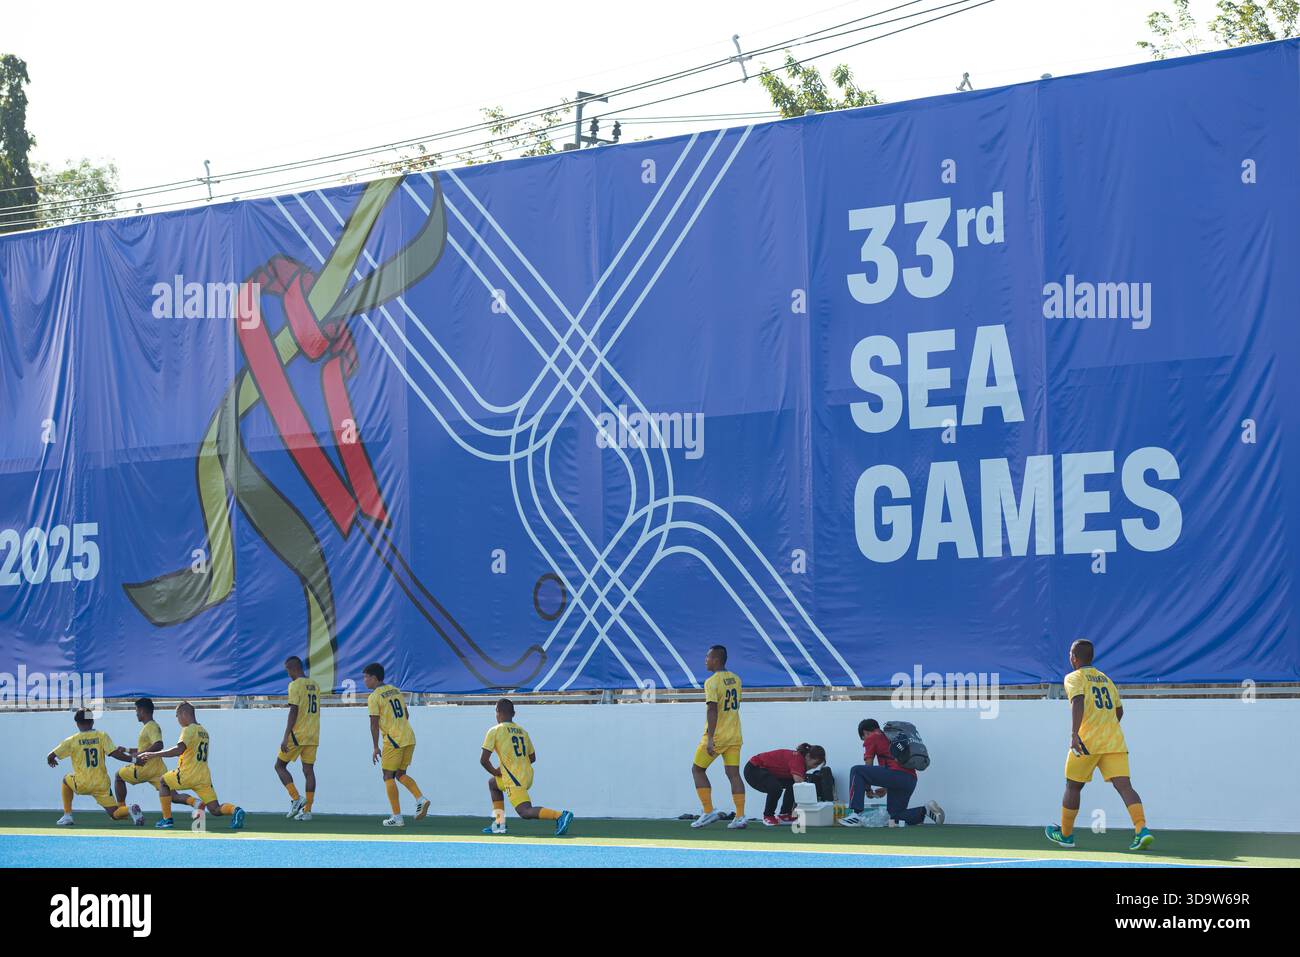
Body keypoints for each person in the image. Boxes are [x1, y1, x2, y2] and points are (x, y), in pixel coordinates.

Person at [1045, 639, 1153, 851]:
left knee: (1073, 786)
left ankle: (1066, 836)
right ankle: (1142, 830)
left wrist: (1074, 734)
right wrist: (1106, 727)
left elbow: (1078, 701)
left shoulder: (1073, 677)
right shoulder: (1106, 680)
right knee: (1124, 786)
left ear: (1074, 658)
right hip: (1114, 741)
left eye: (1070, 654)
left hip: (1086, 742)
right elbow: (1119, 711)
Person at [135, 702, 244, 830]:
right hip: (203, 778)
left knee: (163, 781)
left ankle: (167, 819)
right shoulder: (204, 731)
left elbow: (178, 750)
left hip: (187, 774)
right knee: (215, 809)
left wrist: (153, 754)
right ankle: (235, 810)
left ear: (184, 714)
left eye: (177, 716)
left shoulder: (188, 729)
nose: (178, 720)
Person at [479, 697, 573, 836]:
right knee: (493, 783)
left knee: (525, 811)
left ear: (497, 712)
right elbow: (532, 757)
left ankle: (560, 815)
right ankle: (499, 823)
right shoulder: (522, 731)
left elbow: (484, 760)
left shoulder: (495, 730)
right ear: (514, 714)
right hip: (527, 775)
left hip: (513, 779)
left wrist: (495, 771)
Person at [47, 708, 144, 826]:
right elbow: (115, 753)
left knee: (65, 780)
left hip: (82, 783)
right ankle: (129, 809)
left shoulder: (72, 740)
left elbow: (51, 755)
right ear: (92, 722)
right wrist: (134, 760)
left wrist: (51, 759)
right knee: (115, 814)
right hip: (101, 783)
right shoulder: (102, 736)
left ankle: (67, 816)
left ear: (77, 723)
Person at [840, 719, 943, 827]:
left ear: (865, 732)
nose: (864, 740)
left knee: (856, 770)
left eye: (863, 738)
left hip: (896, 776)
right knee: (895, 816)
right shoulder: (891, 738)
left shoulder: (873, 737)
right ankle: (925, 810)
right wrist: (885, 788)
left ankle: (856, 814)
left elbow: (868, 765)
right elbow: (891, 765)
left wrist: (868, 789)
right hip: (910, 780)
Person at [363, 662, 429, 827]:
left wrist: (375, 746)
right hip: (409, 736)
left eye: (366, 677)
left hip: (393, 740)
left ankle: (397, 817)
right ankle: (420, 798)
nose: (364, 681)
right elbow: (406, 714)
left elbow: (373, 724)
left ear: (374, 677)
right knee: (400, 774)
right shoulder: (395, 690)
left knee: (387, 776)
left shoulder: (374, 697)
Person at [690, 644, 747, 829]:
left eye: (708, 657)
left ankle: (708, 811)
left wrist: (711, 738)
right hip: (735, 734)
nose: (705, 660)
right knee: (733, 774)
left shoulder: (712, 681)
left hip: (718, 735)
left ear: (716, 659)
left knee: (697, 769)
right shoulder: (736, 679)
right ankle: (740, 816)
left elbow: (712, 709)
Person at [112, 697, 195, 817]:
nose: (136, 714)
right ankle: (196, 803)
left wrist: (141, 754)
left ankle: (122, 811)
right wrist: (126, 750)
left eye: (136, 710)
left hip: (143, 767)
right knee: (173, 796)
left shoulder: (150, 726)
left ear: (142, 711)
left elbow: (159, 744)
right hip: (158, 770)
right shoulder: (151, 726)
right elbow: (145, 748)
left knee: (118, 776)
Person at [275, 656, 320, 821]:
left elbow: (293, 711)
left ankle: (295, 798)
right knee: (308, 771)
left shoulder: (294, 685)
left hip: (298, 734)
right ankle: (307, 811)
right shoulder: (315, 685)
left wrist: (286, 736)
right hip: (313, 734)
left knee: (279, 766)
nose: (288, 674)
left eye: (288, 670)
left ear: (293, 668)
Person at [743, 743, 826, 826]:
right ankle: (768, 816)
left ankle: (784, 815)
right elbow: (801, 786)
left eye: (818, 765)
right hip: (753, 769)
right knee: (776, 788)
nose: (815, 767)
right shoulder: (797, 760)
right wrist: (813, 809)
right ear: (808, 756)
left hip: (768, 772)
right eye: (815, 764)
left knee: (792, 785)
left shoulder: (800, 760)